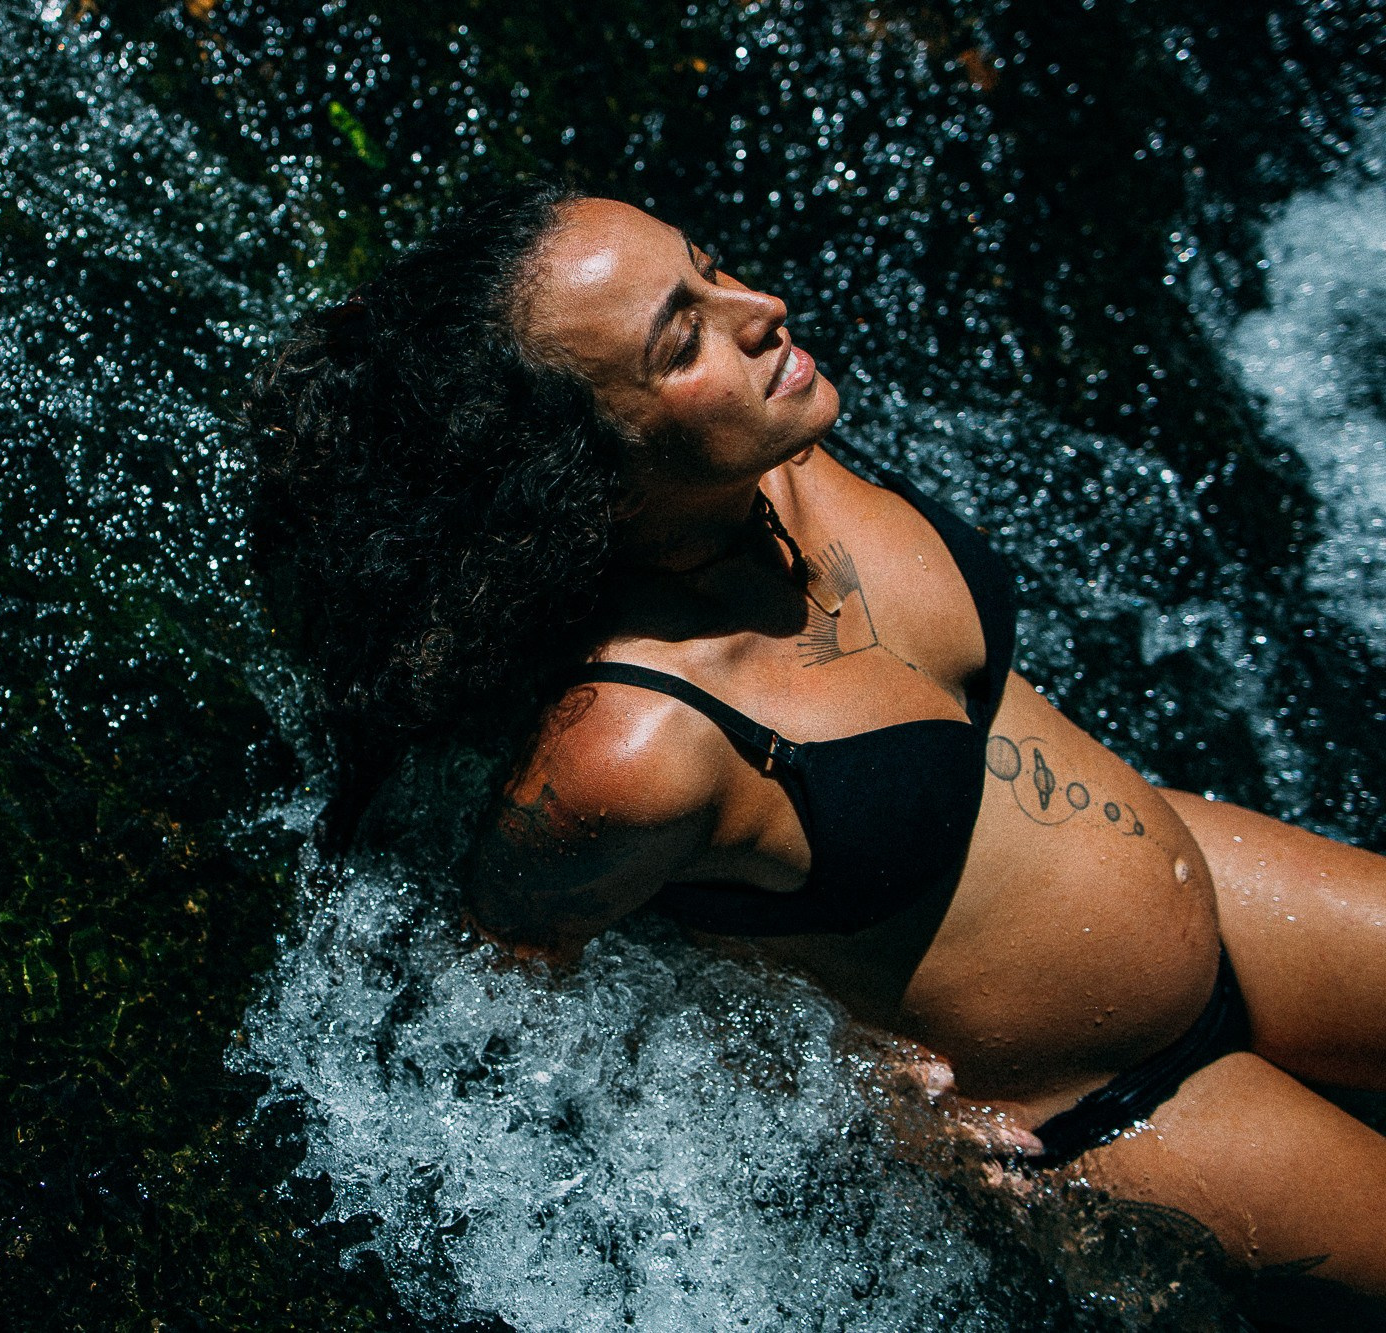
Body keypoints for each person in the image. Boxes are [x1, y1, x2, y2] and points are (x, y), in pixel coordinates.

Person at [246, 182, 1386, 1317]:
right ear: (579, 474)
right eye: (683, 337)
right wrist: (843, 1101)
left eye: (705, 264)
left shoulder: (774, 456)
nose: (761, 306)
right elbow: (500, 1011)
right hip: (1112, 1109)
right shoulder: (635, 745)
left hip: (1222, 894)